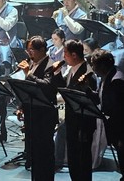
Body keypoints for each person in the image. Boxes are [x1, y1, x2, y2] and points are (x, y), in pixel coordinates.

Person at [50, 39, 97, 180]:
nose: (63, 56)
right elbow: (62, 88)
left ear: (74, 55)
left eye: (65, 53)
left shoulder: (87, 72)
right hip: (71, 120)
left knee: (82, 160)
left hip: (83, 123)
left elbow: (89, 99)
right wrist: (57, 73)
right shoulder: (71, 69)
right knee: (73, 158)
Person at [16, 35, 58, 179]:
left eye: (31, 50)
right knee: (33, 152)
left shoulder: (51, 65)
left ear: (42, 50)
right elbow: (27, 88)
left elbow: (47, 86)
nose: (29, 53)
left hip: (44, 115)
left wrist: (29, 74)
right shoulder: (31, 63)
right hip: (31, 113)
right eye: (28, 50)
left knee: (44, 152)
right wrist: (21, 106)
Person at [90, 49, 124, 181]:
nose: (93, 68)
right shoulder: (107, 77)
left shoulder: (117, 81)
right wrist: (87, 90)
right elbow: (100, 98)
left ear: (102, 66)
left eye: (94, 65)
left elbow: (118, 108)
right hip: (114, 125)